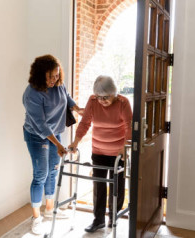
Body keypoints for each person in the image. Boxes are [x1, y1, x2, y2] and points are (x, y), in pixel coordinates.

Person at [22, 54, 83, 235]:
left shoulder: (59, 85)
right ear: (40, 75)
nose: (54, 79)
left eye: (56, 75)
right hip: (36, 135)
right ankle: (36, 217)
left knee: (53, 170)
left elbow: (67, 98)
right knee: (41, 174)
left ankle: (49, 209)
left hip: (54, 133)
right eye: (50, 76)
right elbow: (40, 125)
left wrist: (77, 108)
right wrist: (57, 144)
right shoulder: (32, 93)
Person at [68, 75, 132, 233]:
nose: (102, 100)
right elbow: (85, 123)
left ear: (114, 93)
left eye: (106, 97)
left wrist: (125, 147)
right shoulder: (93, 101)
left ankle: (113, 218)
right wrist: (75, 142)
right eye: (99, 97)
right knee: (99, 185)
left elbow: (130, 126)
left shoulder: (123, 103)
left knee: (116, 185)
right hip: (98, 150)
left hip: (118, 153)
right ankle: (98, 220)